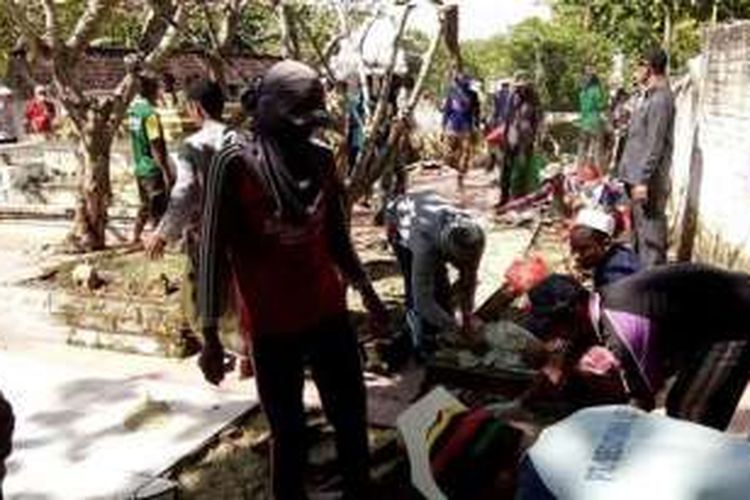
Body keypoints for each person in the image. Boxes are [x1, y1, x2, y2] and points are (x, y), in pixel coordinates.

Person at [197, 60, 388, 500]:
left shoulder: (321, 159)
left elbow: (337, 236)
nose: (305, 133)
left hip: (328, 314)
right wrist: (208, 334)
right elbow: (211, 247)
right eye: (297, 122)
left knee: (350, 418)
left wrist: (370, 296)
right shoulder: (234, 163)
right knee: (290, 434)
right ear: (267, 112)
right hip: (272, 325)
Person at [517, 265, 750, 431]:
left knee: (689, 416)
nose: (554, 335)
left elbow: (641, 403)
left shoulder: (622, 329)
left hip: (735, 321)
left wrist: (602, 435)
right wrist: (522, 403)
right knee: (681, 405)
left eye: (553, 326)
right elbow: (563, 360)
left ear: (572, 312)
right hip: (714, 318)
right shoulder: (595, 307)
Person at [386, 191, 485, 358]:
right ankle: (419, 343)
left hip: (427, 212)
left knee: (442, 291)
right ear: (446, 253)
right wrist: (455, 328)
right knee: (416, 295)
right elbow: (423, 300)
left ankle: (444, 334)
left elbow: (469, 278)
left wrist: (467, 317)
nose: (463, 265)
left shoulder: (475, 236)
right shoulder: (423, 247)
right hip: (400, 223)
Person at [618, 48, 675, 268]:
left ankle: (652, 284)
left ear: (648, 67)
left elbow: (655, 144)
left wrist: (643, 180)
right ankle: (642, 282)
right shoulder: (648, 97)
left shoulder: (661, 100)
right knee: (639, 234)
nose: (635, 71)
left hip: (647, 181)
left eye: (638, 66)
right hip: (634, 177)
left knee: (650, 237)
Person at [127, 74, 173, 245]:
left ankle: (135, 237)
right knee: (157, 208)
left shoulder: (133, 112)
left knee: (145, 205)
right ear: (151, 90)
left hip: (139, 167)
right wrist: (166, 170)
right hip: (152, 168)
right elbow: (156, 144)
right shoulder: (150, 115)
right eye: (157, 88)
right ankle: (156, 243)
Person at [569, 208, 640, 289]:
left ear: (605, 243)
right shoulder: (615, 256)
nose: (577, 256)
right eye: (573, 249)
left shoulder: (616, 274)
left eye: (584, 249)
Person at [503, 73, 541, 204]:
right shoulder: (512, 98)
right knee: (507, 168)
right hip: (512, 137)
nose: (521, 89)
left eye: (523, 87)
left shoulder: (533, 99)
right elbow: (508, 118)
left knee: (522, 167)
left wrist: (536, 136)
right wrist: (505, 135)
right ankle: (505, 197)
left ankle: (519, 197)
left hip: (526, 139)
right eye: (518, 87)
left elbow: (537, 119)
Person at [442, 73, 480, 188]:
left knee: (465, 153)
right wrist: (443, 126)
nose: (464, 84)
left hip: (466, 127)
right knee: (449, 155)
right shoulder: (451, 94)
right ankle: (458, 169)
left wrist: (476, 125)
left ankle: (460, 175)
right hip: (452, 127)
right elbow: (446, 111)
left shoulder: (473, 95)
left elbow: (477, 111)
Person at [576, 67, 607, 170]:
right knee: (597, 150)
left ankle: (580, 172)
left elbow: (582, 107)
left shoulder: (582, 92)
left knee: (582, 149)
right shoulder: (596, 90)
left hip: (584, 122)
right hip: (594, 121)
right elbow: (601, 105)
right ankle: (600, 174)